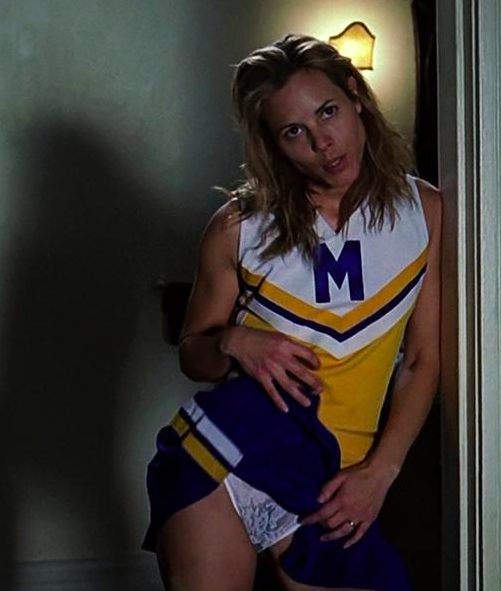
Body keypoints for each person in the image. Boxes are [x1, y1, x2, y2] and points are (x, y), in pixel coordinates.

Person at [142, 34, 441, 591]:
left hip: (333, 476)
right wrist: (232, 341)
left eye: (328, 112)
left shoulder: (424, 210)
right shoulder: (237, 226)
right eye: (294, 132)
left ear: (355, 96)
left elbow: (422, 360)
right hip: (224, 454)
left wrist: (381, 472)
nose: (323, 143)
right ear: (273, 145)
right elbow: (193, 355)